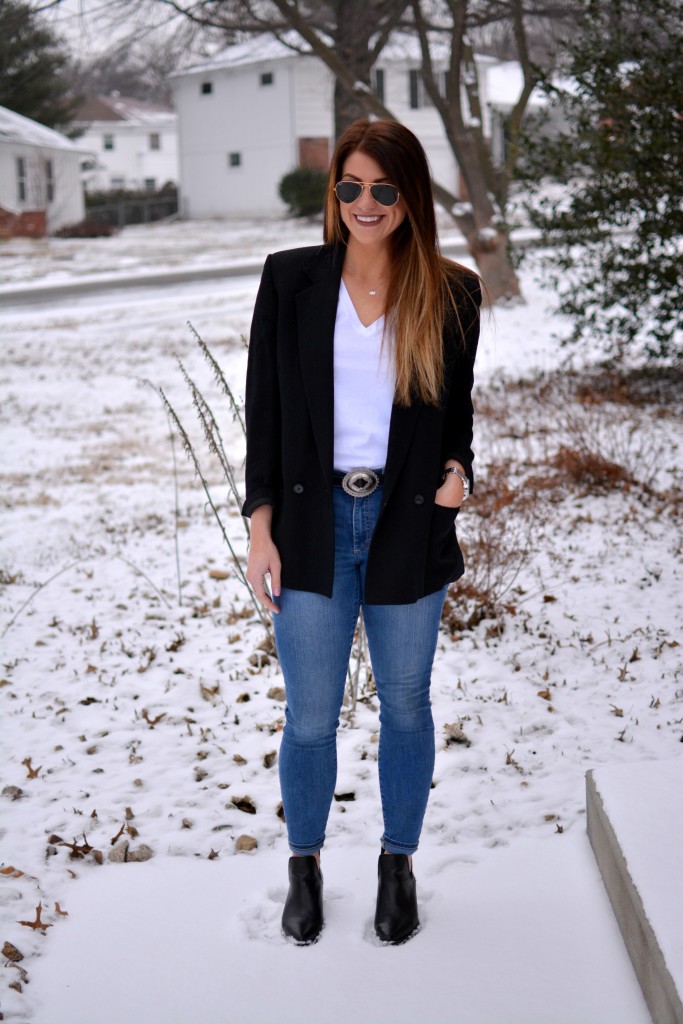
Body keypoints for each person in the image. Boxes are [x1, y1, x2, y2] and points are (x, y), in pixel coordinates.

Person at [242, 118, 481, 946]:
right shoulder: (290, 281)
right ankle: (303, 866)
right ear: (332, 193)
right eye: (349, 187)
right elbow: (264, 417)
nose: (365, 203)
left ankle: (396, 863)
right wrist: (258, 526)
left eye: (383, 188)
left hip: (406, 522)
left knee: (407, 707)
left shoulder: (450, 293)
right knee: (310, 716)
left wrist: (459, 471)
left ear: (410, 196)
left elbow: (457, 418)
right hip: (309, 523)